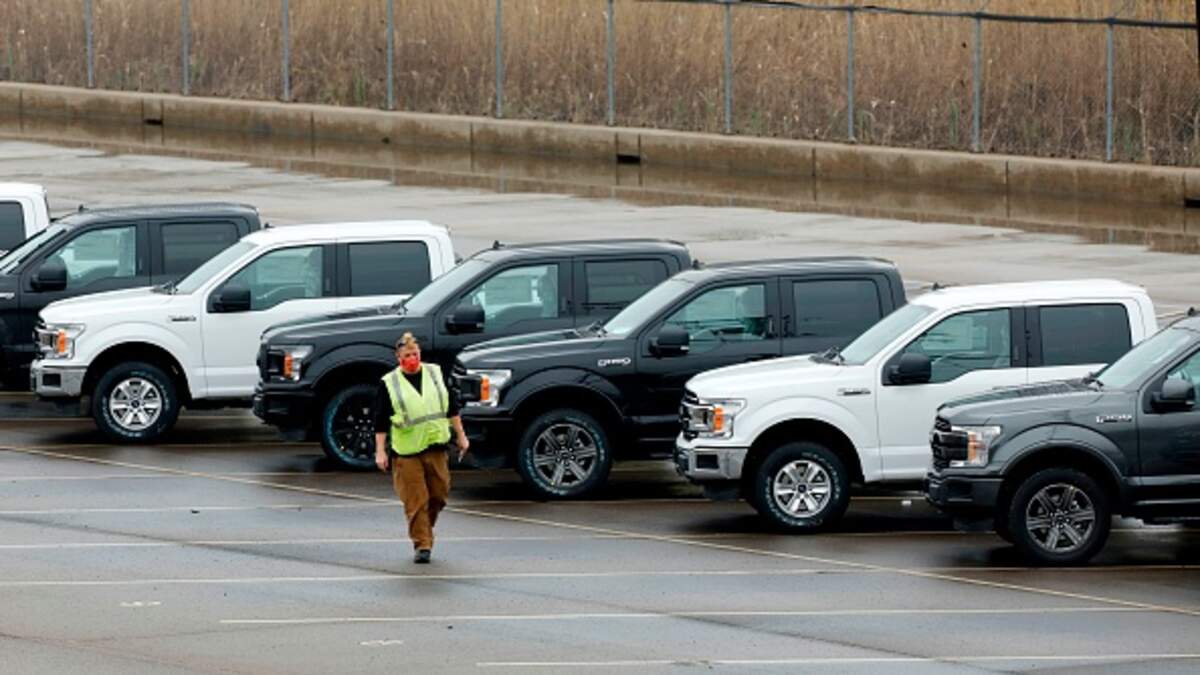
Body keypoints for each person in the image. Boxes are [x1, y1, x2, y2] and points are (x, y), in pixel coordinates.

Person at [374, 332, 469, 564]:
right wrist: (380, 450)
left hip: (436, 446)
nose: (413, 359)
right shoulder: (389, 383)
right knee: (416, 501)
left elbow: (451, 408)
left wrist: (461, 436)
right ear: (399, 358)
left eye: (415, 354)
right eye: (407, 355)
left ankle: (425, 528)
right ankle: (422, 544)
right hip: (406, 452)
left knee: (439, 495)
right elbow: (381, 420)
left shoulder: (435, 374)